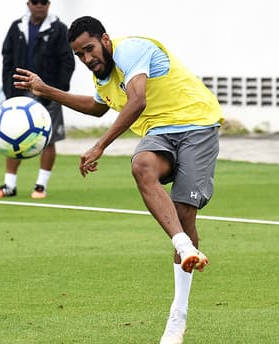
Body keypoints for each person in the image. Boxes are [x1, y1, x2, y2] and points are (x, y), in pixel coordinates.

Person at [13, 16, 224, 343]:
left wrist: (99, 146)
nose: (86, 59)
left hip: (197, 125)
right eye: (80, 55)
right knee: (141, 165)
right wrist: (45, 90)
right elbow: (98, 108)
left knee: (183, 214)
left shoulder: (131, 50)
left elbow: (137, 100)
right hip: (160, 133)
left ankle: (178, 315)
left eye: (89, 49)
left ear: (105, 39)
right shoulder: (103, 77)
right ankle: (182, 245)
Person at [0, 0, 74, 199]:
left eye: (43, 2)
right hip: (19, 93)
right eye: (35, 2)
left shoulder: (59, 29)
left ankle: (40, 186)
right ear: (28, 4)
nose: (39, 6)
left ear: (49, 4)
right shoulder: (17, 27)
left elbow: (67, 62)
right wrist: (9, 90)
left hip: (47, 91)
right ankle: (9, 185)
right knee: (10, 135)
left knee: (48, 139)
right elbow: (7, 58)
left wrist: (56, 91)